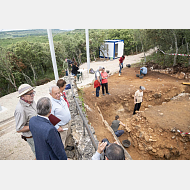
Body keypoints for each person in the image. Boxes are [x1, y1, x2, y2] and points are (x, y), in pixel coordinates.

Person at [14, 84, 37, 156]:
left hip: (38, 134)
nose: (33, 95)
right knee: (40, 155)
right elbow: (19, 128)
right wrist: (35, 125)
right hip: (32, 137)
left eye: (33, 92)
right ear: (23, 96)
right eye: (30, 94)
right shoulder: (20, 109)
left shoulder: (31, 101)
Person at [49, 86, 74, 151]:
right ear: (50, 94)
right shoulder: (51, 104)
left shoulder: (61, 98)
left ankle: (66, 146)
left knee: (68, 136)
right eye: (55, 94)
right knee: (61, 141)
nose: (58, 95)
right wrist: (57, 127)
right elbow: (50, 116)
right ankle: (62, 154)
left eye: (58, 93)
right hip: (62, 126)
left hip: (68, 122)